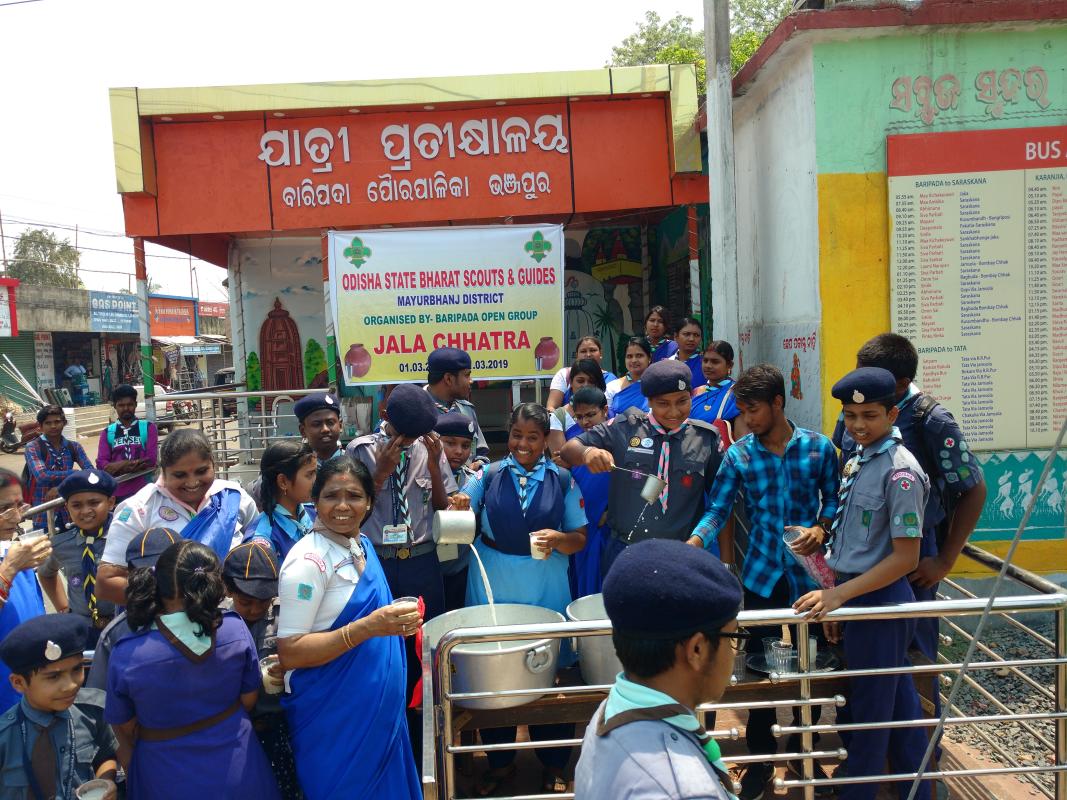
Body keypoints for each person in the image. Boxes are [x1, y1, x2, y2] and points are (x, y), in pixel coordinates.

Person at [688, 363, 840, 799]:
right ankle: (760, 761)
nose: (746, 421)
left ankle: (802, 750)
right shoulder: (739, 454)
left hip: (812, 577)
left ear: (777, 404)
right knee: (759, 670)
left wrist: (822, 527)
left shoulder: (820, 449)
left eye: (752, 411)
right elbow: (718, 509)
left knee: (812, 668)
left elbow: (834, 498)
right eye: (741, 411)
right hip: (760, 577)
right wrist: (697, 541)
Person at [794, 367, 931, 800]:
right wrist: (838, 593)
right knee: (899, 704)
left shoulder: (899, 472)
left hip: (881, 602)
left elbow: (905, 558)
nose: (857, 425)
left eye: (869, 414)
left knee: (869, 717)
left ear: (892, 413)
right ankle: (921, 789)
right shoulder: (858, 457)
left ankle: (860, 792)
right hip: (857, 597)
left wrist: (838, 595)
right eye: (850, 415)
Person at [832, 333, 987, 666]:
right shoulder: (856, 412)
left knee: (914, 656)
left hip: (911, 554)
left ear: (900, 384)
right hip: (860, 553)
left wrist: (945, 560)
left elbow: (973, 488)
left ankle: (923, 717)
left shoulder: (930, 420)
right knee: (864, 660)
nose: (858, 421)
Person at [276, 457, 422, 800]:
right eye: (331, 496)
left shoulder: (362, 546)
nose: (343, 506)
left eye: (354, 496)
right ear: (315, 499)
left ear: (369, 501)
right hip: (336, 723)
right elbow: (291, 650)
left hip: (380, 718)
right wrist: (368, 627)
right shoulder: (308, 562)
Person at [460, 402, 586, 796]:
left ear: (546, 438)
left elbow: (579, 538)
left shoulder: (563, 480)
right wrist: (458, 502)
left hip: (545, 583)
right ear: (508, 435)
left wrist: (559, 540)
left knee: (547, 673)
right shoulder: (488, 475)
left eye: (533, 437)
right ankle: (501, 763)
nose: (524, 444)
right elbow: (461, 501)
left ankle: (553, 762)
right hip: (493, 582)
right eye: (517, 435)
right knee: (495, 673)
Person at [105, 539, 280, 799]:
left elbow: (123, 726)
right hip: (239, 766)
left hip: (164, 775)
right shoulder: (235, 629)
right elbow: (248, 699)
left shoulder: (128, 653)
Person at [574, 539, 744, 800]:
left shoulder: (612, 710)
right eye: (731, 637)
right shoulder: (683, 791)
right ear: (696, 650)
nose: (733, 652)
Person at [562, 360, 723, 576]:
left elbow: (720, 503)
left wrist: (707, 549)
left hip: (684, 553)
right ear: (649, 401)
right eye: (663, 403)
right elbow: (569, 449)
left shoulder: (705, 439)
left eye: (682, 401)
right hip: (626, 552)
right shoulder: (625, 428)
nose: (674, 411)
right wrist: (587, 453)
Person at [96, 429, 259, 604]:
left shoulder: (234, 497)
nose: (192, 482)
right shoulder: (139, 509)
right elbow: (106, 584)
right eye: (180, 475)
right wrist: (174, 601)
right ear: (163, 472)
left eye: (201, 471)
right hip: (166, 626)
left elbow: (256, 553)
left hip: (232, 621)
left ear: (213, 464)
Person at [347, 384, 455, 621]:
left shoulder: (429, 447)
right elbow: (353, 514)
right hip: (377, 559)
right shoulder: (360, 451)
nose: (408, 441)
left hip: (422, 559)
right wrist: (380, 474)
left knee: (425, 635)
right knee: (380, 634)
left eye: (414, 436)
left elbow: (441, 505)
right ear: (385, 416)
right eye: (403, 434)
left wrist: (435, 468)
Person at [0, 614, 118, 800]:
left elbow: (106, 755)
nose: (71, 685)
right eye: (53, 677)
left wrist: (107, 781)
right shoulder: (5, 735)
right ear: (19, 683)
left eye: (77, 669)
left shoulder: (92, 711)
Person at [223, 541, 300, 798]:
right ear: (229, 590)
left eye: (263, 601)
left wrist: (290, 667)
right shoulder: (215, 620)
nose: (255, 609)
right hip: (234, 729)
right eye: (246, 602)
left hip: (281, 726)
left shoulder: (288, 614)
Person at [85, 527, 180, 691]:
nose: (157, 581)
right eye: (150, 573)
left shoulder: (211, 617)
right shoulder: (116, 633)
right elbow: (99, 697)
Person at [37, 470, 119, 647]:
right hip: (83, 629)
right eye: (76, 505)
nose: (85, 511)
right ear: (67, 508)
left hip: (122, 624)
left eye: (94, 503)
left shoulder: (124, 537)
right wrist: (62, 606)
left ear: (111, 502)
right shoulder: (61, 544)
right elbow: (46, 573)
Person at [0, 468, 49, 714]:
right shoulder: (13, 561)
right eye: (4, 509)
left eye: (20, 506)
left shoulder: (15, 552)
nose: (16, 518)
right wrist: (9, 569)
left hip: (27, 688)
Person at [560, 386, 611, 598]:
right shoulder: (575, 440)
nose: (585, 422)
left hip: (607, 529)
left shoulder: (620, 436)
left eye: (591, 415)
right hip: (581, 525)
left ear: (605, 411)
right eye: (579, 417)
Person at [434, 411, 479, 613]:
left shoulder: (474, 482)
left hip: (462, 570)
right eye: (450, 443)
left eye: (465, 445)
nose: (458, 451)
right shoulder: (420, 477)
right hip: (428, 570)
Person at [25, 404, 92, 531]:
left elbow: (91, 473)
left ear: (64, 422)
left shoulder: (74, 447)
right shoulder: (33, 447)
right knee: (46, 549)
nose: (53, 426)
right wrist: (74, 473)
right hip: (43, 514)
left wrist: (61, 488)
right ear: (40, 426)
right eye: (48, 423)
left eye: (57, 421)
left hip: (71, 512)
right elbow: (42, 476)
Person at [424, 347, 490, 467]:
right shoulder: (416, 409)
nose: (471, 381)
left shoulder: (467, 409)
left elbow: (481, 453)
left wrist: (478, 464)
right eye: (467, 375)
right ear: (448, 379)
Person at [253, 440, 317, 560]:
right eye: (309, 475)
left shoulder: (315, 513)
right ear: (283, 482)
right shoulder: (262, 540)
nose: (316, 480)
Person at [97, 383, 159, 503]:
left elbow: (151, 460)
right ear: (115, 406)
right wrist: (128, 464)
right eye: (121, 405)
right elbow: (101, 464)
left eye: (129, 404)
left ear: (135, 404)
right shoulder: (107, 432)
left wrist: (116, 466)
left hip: (145, 490)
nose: (126, 408)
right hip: (118, 493)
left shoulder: (148, 428)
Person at [547, 358, 608, 462]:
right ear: (571, 382)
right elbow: (559, 461)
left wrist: (573, 459)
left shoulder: (611, 413)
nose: (585, 385)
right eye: (580, 381)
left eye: (591, 381)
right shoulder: (559, 417)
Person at [690, 340, 748, 440]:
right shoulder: (696, 392)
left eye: (715, 362)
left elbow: (742, 440)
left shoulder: (737, 394)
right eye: (705, 360)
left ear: (729, 365)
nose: (708, 365)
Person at [546, 336, 618, 411]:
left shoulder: (611, 379)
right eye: (583, 351)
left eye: (593, 350)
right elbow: (551, 407)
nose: (588, 355)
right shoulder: (564, 374)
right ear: (577, 355)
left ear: (600, 353)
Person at [604, 337, 653, 416]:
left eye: (639, 355)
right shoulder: (612, 387)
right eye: (629, 356)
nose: (634, 360)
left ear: (649, 358)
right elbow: (606, 418)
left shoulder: (658, 386)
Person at [293, 392, 344, 466]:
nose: (325, 429)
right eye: (316, 424)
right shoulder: (296, 468)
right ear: (303, 431)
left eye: (330, 422)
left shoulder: (355, 463)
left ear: (340, 425)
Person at [670, 316, 705, 390]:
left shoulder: (705, 364)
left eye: (696, 335)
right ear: (676, 336)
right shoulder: (666, 364)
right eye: (687, 334)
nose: (691, 339)